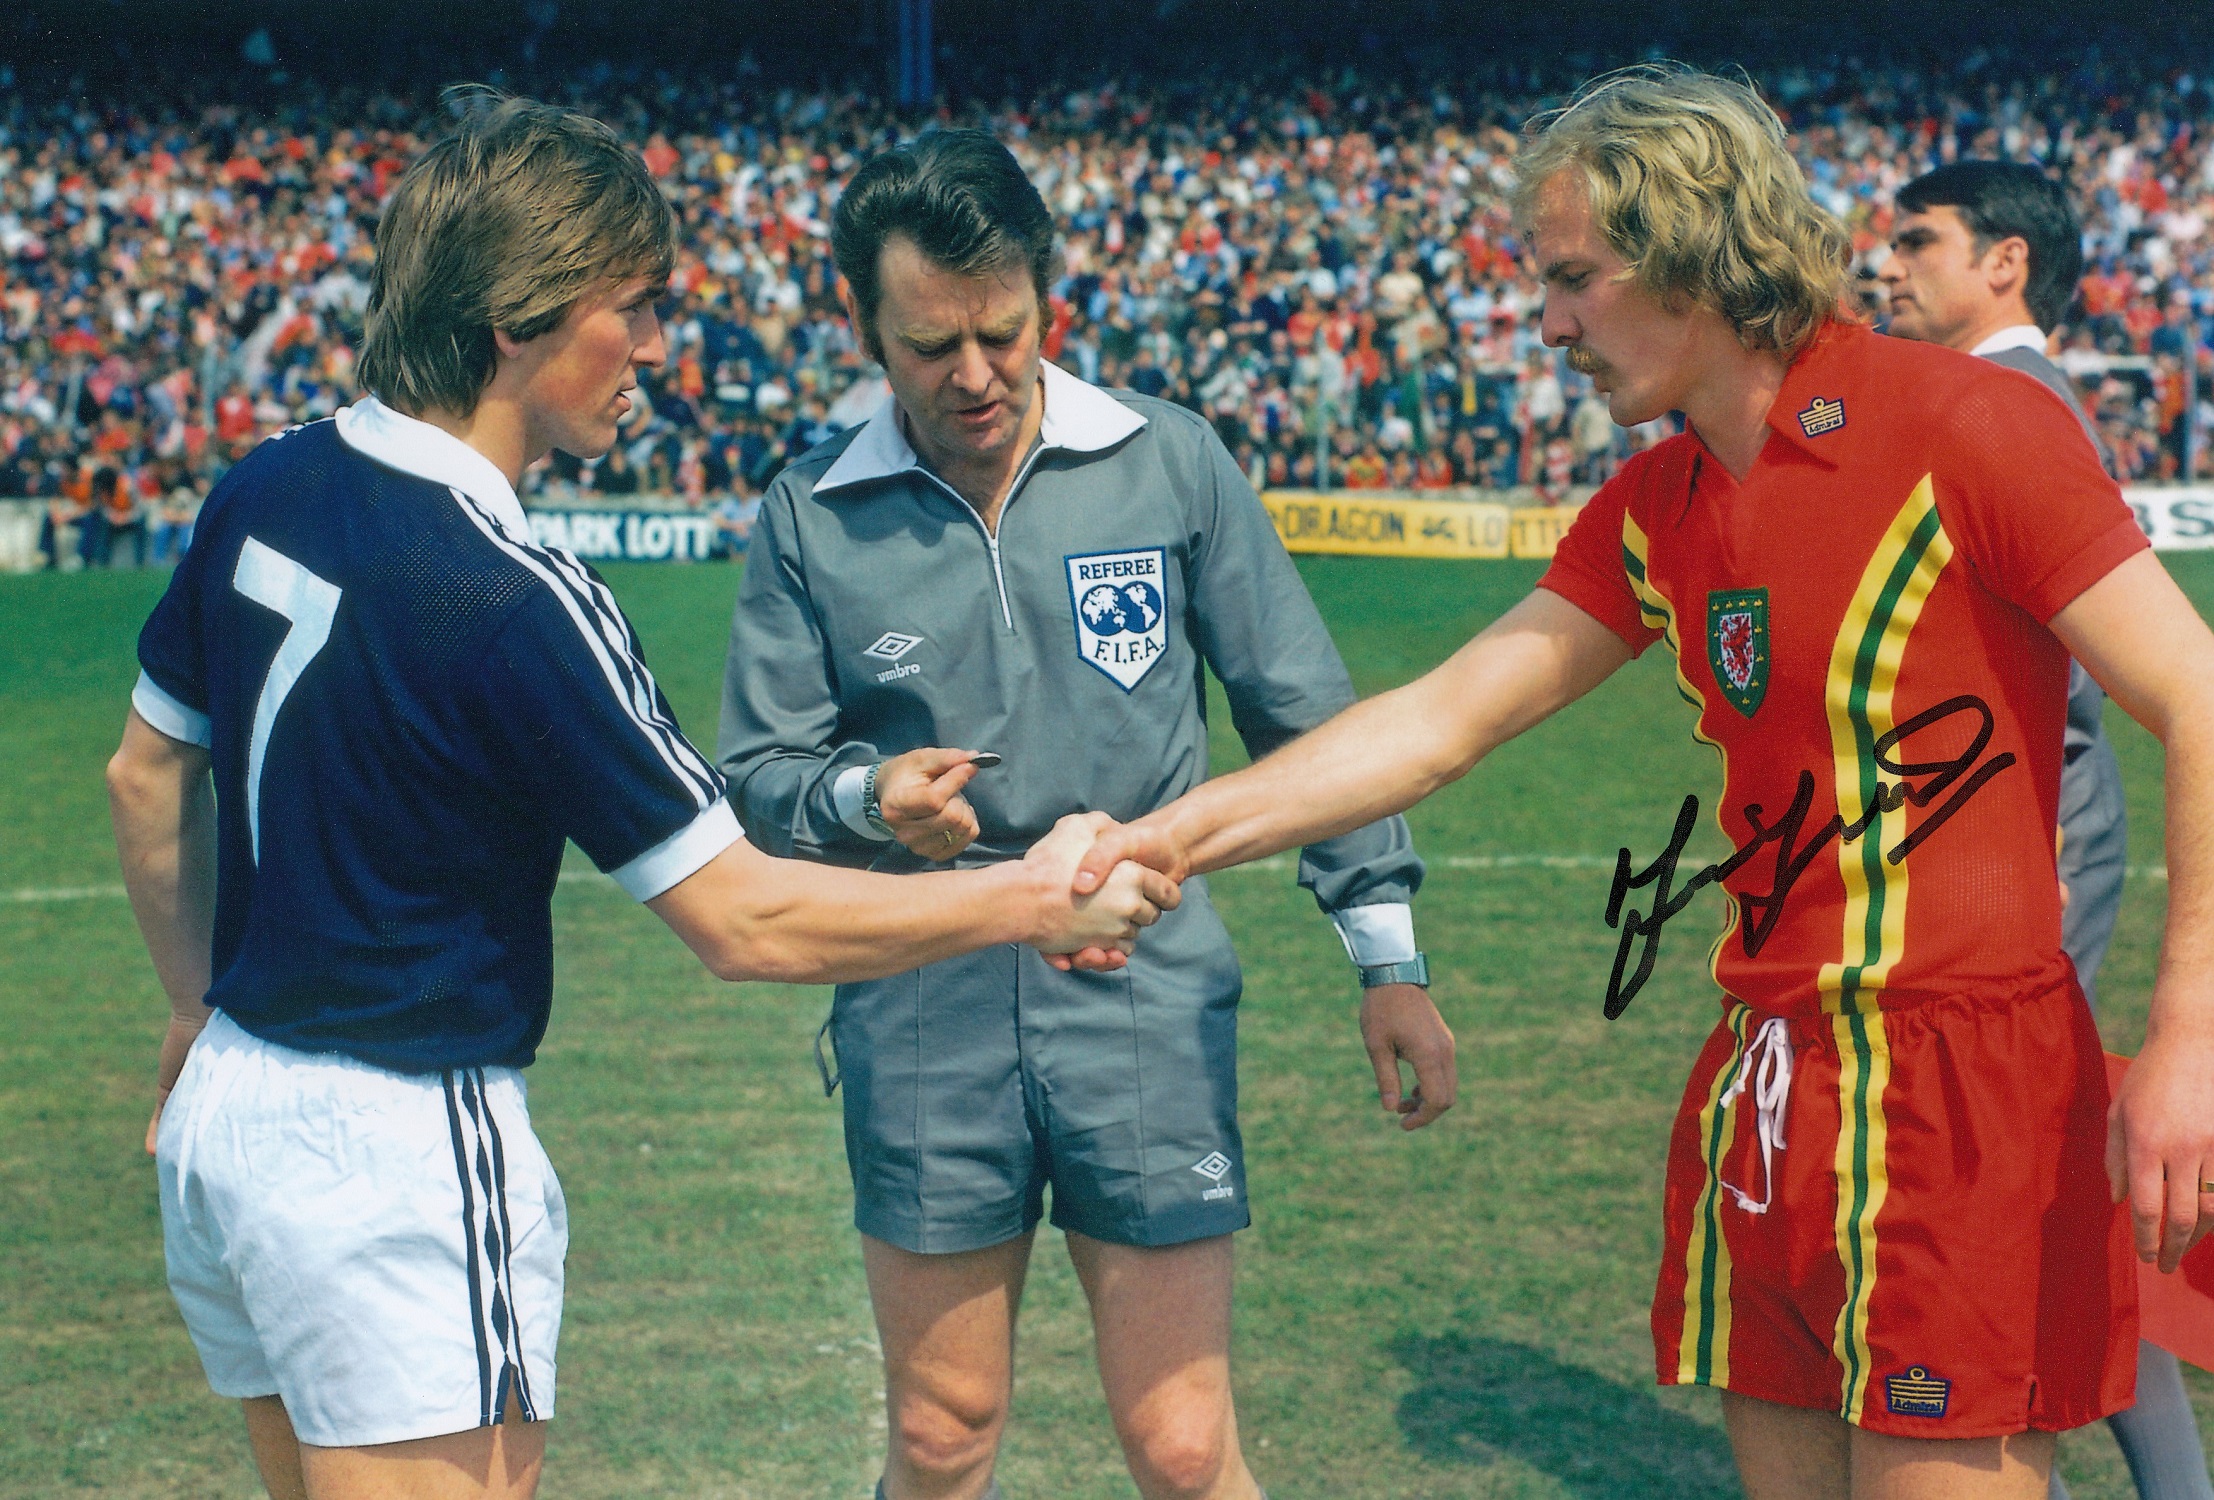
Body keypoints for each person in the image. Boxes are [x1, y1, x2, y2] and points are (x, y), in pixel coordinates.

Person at [1069, 66, 2214, 1500]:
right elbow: (1435, 723)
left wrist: (2184, 1037)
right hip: (1766, 1082)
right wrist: (1168, 836)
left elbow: (2198, 695)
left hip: (1963, 1092)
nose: (1544, 323)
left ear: (1691, 252)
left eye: (1570, 280)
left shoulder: (1961, 428)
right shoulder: (1657, 508)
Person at [106, 91, 1174, 1500]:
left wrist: (196, 1010)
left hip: (228, 1127)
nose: (660, 352)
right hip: (394, 1151)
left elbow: (143, 775)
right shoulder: (514, 598)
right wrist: (1029, 897)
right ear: (520, 317)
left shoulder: (271, 481)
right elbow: (744, 922)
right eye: (637, 307)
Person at [718, 129, 1453, 1500]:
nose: (976, 374)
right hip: (921, 984)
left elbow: (1304, 719)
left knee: (1180, 1445)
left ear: (1047, 298)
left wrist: (1387, 959)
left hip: (1143, 981)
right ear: (864, 328)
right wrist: (862, 794)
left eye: (1002, 331)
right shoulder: (810, 514)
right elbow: (758, 775)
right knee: (943, 1438)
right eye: (931, 345)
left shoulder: (1165, 462)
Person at [1882, 157, 2214, 1500]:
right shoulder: (2002, 399)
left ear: (2003, 262)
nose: (1887, 261)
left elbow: (2065, 684)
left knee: (1993, 1218)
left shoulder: (2004, 404)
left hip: (2018, 874)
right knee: (2034, 1210)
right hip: (2008, 863)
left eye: (1918, 239)